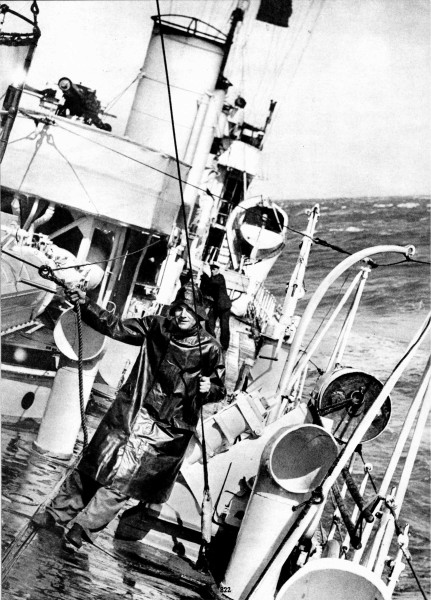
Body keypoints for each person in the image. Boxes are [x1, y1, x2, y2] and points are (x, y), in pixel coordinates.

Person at [33, 282, 225, 549]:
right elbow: (116, 327)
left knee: (124, 484)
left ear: (200, 314)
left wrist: (209, 388)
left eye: (189, 310)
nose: (182, 314)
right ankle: (56, 515)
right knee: (94, 466)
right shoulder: (157, 325)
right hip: (130, 411)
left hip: (166, 430)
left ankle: (82, 529)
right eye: (179, 308)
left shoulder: (211, 348)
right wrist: (85, 304)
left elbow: (219, 389)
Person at [200, 262, 232, 353]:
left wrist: (205, 276)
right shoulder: (211, 279)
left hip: (224, 306)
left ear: (218, 270)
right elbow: (205, 289)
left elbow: (213, 282)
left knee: (224, 326)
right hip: (216, 306)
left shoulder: (220, 278)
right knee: (209, 323)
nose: (212, 270)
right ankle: (212, 341)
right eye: (211, 269)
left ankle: (224, 347)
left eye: (214, 269)